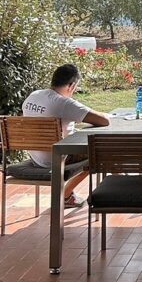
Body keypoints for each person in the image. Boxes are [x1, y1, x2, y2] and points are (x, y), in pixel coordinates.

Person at [22, 63, 109, 207]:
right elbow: (104, 120)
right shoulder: (64, 103)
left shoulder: (34, 96)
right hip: (56, 159)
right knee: (97, 154)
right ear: (72, 85)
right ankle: (66, 194)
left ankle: (67, 195)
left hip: (36, 156)